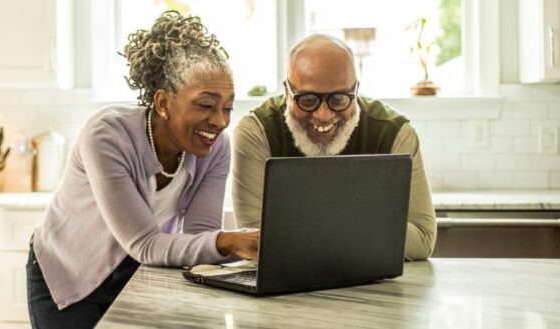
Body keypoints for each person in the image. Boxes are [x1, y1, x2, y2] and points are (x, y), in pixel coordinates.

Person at [27, 11, 260, 328]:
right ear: (163, 103)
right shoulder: (107, 136)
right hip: (68, 271)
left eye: (227, 107)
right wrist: (229, 241)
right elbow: (146, 244)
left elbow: (200, 239)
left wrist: (233, 245)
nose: (220, 121)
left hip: (136, 271)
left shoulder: (216, 148)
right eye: (206, 105)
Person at [231, 34, 437, 261]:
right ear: (287, 90)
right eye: (308, 100)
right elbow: (255, 242)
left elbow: (422, 239)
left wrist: (301, 225)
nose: (323, 114)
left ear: (355, 90)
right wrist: (366, 227)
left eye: (339, 99)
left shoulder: (394, 133)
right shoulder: (256, 133)